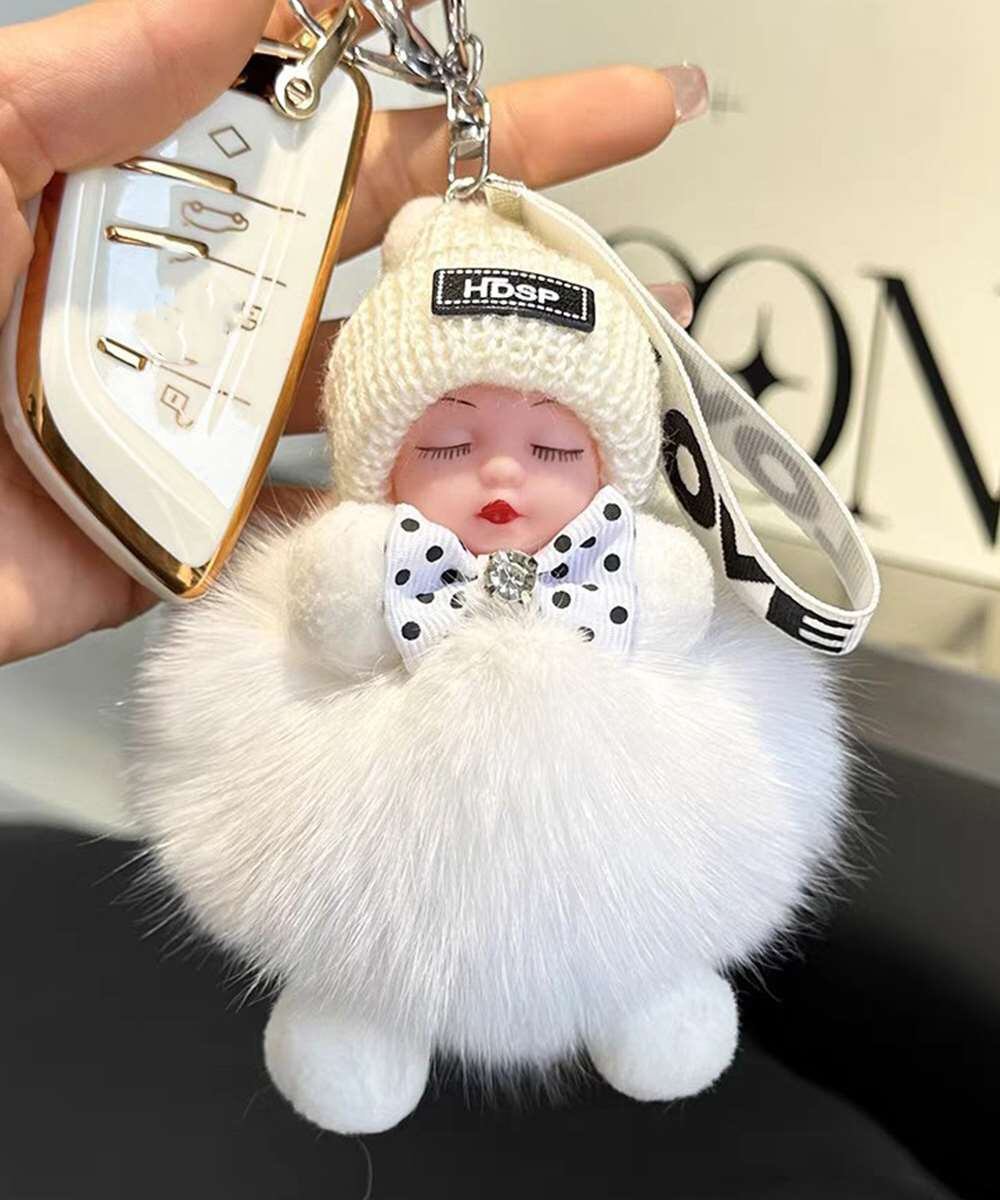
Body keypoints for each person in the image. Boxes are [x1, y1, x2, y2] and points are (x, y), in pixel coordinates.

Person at [0, 0, 706, 666]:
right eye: (448, 446)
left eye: (553, 449)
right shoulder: (357, 586)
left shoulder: (638, 587)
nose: (500, 472)